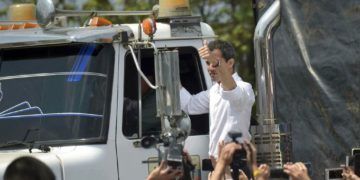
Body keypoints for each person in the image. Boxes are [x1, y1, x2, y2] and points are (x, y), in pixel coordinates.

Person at [180, 40, 255, 159]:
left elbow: (231, 91)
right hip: (217, 163)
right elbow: (189, 105)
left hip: (236, 162)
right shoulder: (214, 91)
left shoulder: (245, 87)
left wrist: (215, 62)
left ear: (230, 62)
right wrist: (171, 75)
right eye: (208, 63)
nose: (210, 67)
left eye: (214, 62)